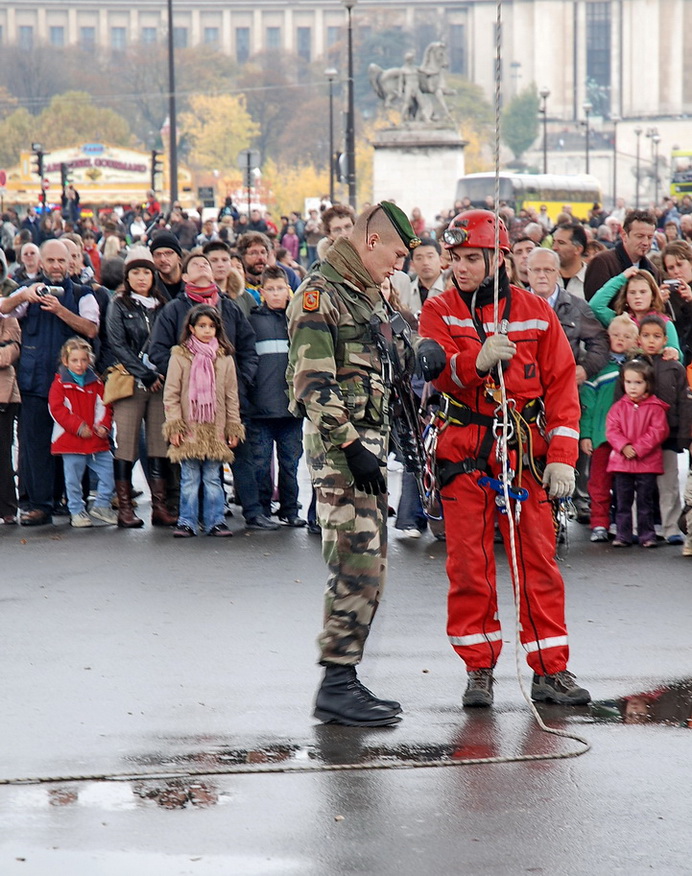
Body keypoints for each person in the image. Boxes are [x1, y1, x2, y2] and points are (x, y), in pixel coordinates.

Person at [418, 209, 591, 707]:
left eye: (473, 257)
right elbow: (439, 371)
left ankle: (550, 671)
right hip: (464, 450)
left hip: (524, 453)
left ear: (498, 258)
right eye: (456, 258)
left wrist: (561, 458)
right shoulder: (441, 308)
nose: (462, 267)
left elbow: (561, 389)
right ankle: (479, 669)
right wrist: (475, 362)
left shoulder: (538, 312)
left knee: (537, 561)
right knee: (469, 566)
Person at [286, 201, 445, 726]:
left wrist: (423, 347)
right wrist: (351, 446)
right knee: (357, 564)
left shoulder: (370, 293)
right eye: (397, 255)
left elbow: (397, 344)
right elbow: (312, 383)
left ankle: (344, 678)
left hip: (368, 445)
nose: (399, 265)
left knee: (369, 565)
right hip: (341, 449)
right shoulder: (320, 294)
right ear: (371, 242)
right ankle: (335, 685)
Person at [0, 240, 99, 526]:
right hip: (35, 380)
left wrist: (59, 310)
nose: (56, 266)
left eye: (61, 261)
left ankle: (70, 501)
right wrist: (24, 297)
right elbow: (4, 308)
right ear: (41, 263)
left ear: (71, 262)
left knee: (73, 443)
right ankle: (42, 505)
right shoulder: (30, 291)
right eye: (51, 261)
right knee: (37, 445)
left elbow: (91, 329)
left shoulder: (83, 294)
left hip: (74, 384)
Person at [106, 246, 176, 528]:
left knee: (159, 444)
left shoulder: (163, 305)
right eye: (135, 272)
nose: (141, 277)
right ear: (128, 276)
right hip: (129, 381)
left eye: (146, 271)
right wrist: (144, 373)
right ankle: (125, 509)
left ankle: (159, 507)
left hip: (160, 384)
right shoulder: (119, 303)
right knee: (127, 445)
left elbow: (171, 339)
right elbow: (117, 344)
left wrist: (157, 372)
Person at [163, 304, 245, 538]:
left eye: (211, 326)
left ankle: (215, 521)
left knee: (212, 478)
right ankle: (186, 521)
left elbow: (231, 396)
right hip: (189, 428)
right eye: (202, 326)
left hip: (216, 429)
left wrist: (233, 427)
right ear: (191, 328)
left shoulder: (224, 358)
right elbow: (171, 393)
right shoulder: (180, 356)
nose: (207, 330)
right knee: (189, 478)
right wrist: (174, 426)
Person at [621, 314, 692, 543]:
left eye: (657, 336)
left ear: (665, 339)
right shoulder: (631, 366)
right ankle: (636, 528)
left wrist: (684, 435)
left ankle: (671, 528)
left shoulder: (674, 367)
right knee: (637, 485)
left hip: (668, 435)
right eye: (646, 336)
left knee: (668, 484)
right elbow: (618, 403)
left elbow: (683, 401)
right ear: (638, 338)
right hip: (636, 437)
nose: (651, 341)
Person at [247, 266, 305, 526]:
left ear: (288, 290)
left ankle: (290, 510)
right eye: (270, 289)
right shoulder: (252, 322)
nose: (275, 293)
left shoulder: (298, 320)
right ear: (261, 293)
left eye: (280, 288)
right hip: (261, 409)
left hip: (291, 409)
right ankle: (261, 510)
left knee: (290, 464)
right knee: (260, 464)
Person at [579, 315, 640, 542]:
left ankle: (627, 525)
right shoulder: (599, 370)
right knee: (598, 483)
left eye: (626, 336)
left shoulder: (639, 368)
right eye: (615, 335)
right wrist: (585, 434)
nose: (620, 340)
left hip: (630, 438)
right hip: (601, 436)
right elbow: (588, 406)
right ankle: (599, 523)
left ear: (635, 341)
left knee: (627, 484)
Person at [48, 337, 118, 528]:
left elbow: (104, 406)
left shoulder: (96, 382)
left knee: (110, 472)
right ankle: (76, 511)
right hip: (71, 441)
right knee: (73, 481)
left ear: (89, 360)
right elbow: (57, 410)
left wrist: (104, 426)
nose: (80, 365)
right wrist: (79, 427)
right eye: (75, 361)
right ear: (65, 361)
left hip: (96, 440)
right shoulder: (60, 384)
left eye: (83, 360)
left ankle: (102, 505)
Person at [606, 358, 670, 548]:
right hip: (621, 462)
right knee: (622, 502)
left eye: (638, 382)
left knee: (645, 502)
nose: (633, 387)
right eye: (628, 382)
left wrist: (638, 448)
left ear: (648, 384)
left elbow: (658, 431)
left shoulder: (656, 407)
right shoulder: (618, 407)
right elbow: (612, 430)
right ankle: (623, 534)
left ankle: (647, 535)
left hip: (647, 463)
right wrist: (624, 447)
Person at [589, 267, 683, 359]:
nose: (637, 296)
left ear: (653, 295)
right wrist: (621, 278)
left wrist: (673, 351)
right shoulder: (620, 322)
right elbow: (596, 306)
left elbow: (678, 356)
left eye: (643, 292)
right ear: (626, 297)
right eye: (632, 292)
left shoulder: (664, 323)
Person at [584, 210, 660, 301]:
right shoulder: (602, 262)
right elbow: (593, 306)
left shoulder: (653, 271)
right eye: (640, 236)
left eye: (650, 237)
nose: (645, 242)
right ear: (624, 235)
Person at [0, 315, 20, 524]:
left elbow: (6, 357)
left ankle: (7, 508)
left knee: (3, 453)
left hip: (4, 396)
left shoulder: (9, 321)